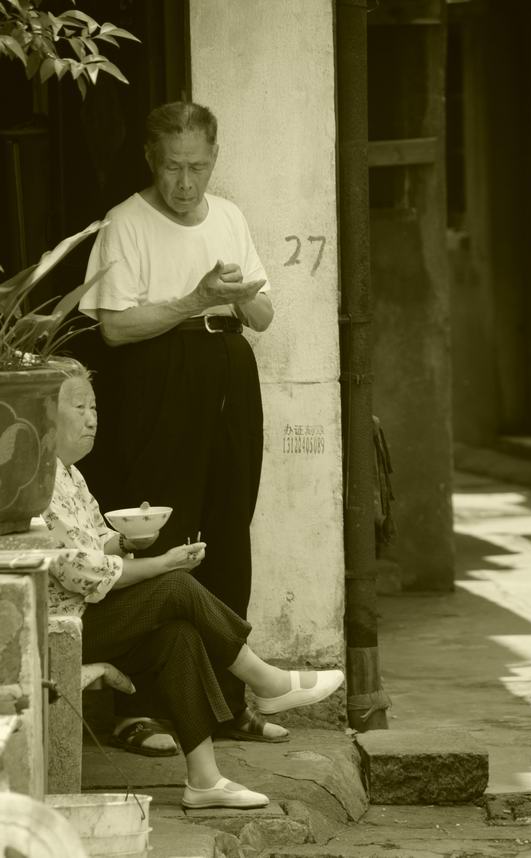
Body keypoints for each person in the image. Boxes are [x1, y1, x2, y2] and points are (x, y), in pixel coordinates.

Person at [43, 365, 344, 809]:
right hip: (58, 630)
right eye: (80, 407)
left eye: (95, 408)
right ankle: (265, 680)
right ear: (46, 415)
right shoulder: (37, 478)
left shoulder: (70, 474)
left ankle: (204, 780)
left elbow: (95, 541)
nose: (92, 419)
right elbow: (86, 574)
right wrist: (161, 562)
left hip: (90, 617)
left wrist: (127, 541)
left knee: (178, 637)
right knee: (175, 587)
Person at [78, 100, 278, 745]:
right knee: (157, 534)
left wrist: (238, 295)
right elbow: (111, 327)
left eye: (196, 167)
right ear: (150, 160)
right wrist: (194, 300)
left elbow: (267, 316)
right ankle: (144, 709)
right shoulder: (124, 224)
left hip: (228, 374)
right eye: (171, 167)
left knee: (227, 528)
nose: (185, 182)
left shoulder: (231, 216)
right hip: (157, 380)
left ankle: (230, 704)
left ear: (215, 159)